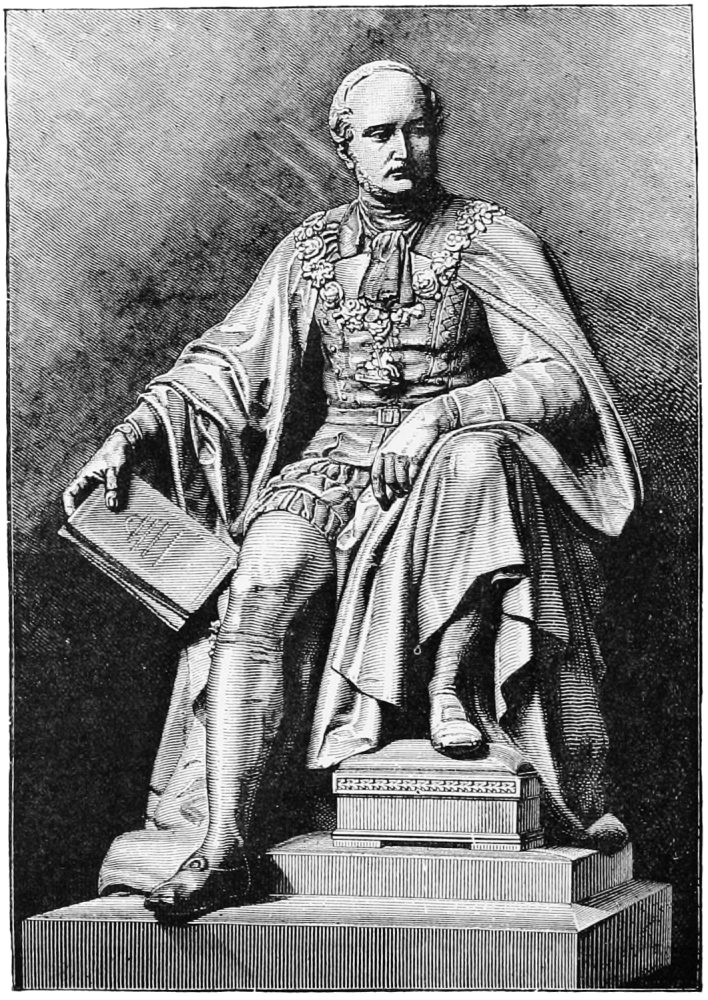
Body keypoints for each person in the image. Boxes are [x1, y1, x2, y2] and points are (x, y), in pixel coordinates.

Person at [63, 60, 642, 920]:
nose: (402, 150)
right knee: (262, 584)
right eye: (380, 135)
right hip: (331, 464)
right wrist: (128, 437)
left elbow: (561, 381)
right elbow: (226, 365)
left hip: (446, 472)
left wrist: (443, 414)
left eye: (417, 130)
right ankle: (225, 847)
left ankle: (450, 691)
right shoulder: (309, 250)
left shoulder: (490, 240)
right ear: (347, 150)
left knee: (478, 463)